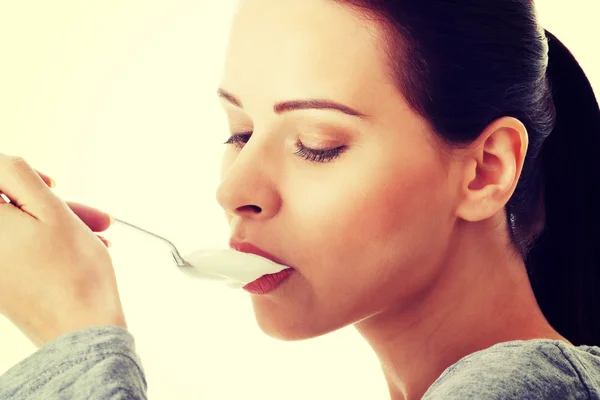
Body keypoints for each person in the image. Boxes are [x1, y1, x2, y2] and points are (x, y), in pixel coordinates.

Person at [1, 0, 599, 398]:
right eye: (239, 132)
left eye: (316, 145)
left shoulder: (523, 386)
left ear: (486, 171)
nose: (233, 190)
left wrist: (72, 336)